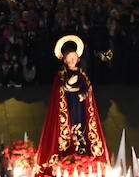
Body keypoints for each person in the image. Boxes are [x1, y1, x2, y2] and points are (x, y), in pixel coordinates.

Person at [35, 35, 109, 167]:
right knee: (69, 126)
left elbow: (87, 87)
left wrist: (83, 94)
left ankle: (81, 150)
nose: (72, 59)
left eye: (74, 57)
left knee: (81, 125)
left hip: (79, 104)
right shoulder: (62, 74)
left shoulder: (81, 73)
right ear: (64, 59)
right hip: (68, 104)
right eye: (70, 57)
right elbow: (59, 89)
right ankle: (67, 153)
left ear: (78, 58)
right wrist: (68, 84)